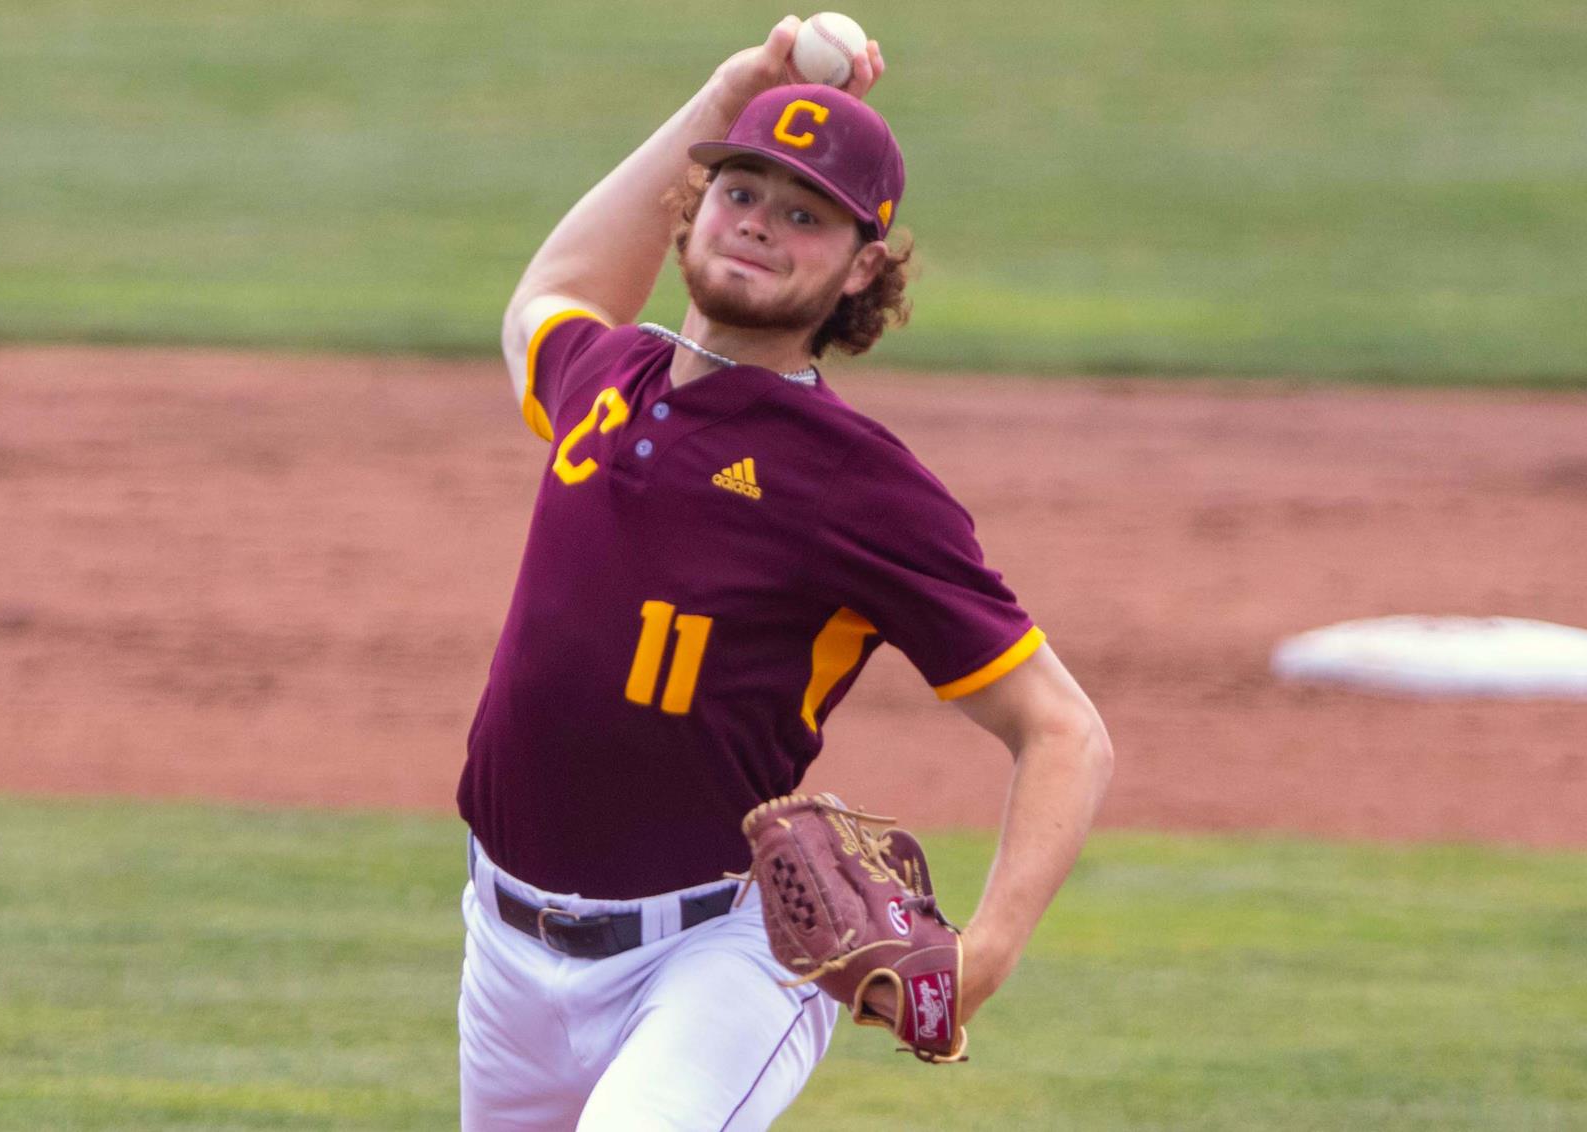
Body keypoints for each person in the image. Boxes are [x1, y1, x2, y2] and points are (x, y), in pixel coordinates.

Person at [455, 16, 1114, 1130]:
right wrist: (725, 92)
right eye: (740, 193)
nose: (759, 224)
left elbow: (1062, 729)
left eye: (805, 215)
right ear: (694, 206)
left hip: (713, 963)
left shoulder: (856, 481)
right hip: (504, 958)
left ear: (862, 267)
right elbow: (548, 294)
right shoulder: (606, 377)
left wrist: (983, 956)